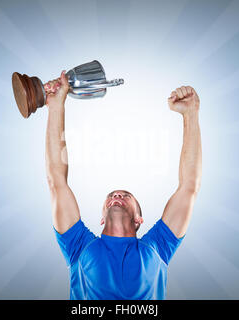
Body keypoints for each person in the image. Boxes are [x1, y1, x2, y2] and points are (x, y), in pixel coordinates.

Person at [44, 71, 202, 300]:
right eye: (112, 195)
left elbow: (189, 187)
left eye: (126, 195)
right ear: (101, 217)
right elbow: (56, 181)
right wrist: (56, 105)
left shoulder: (158, 248)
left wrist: (191, 114)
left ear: (139, 219)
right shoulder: (79, 246)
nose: (117, 194)